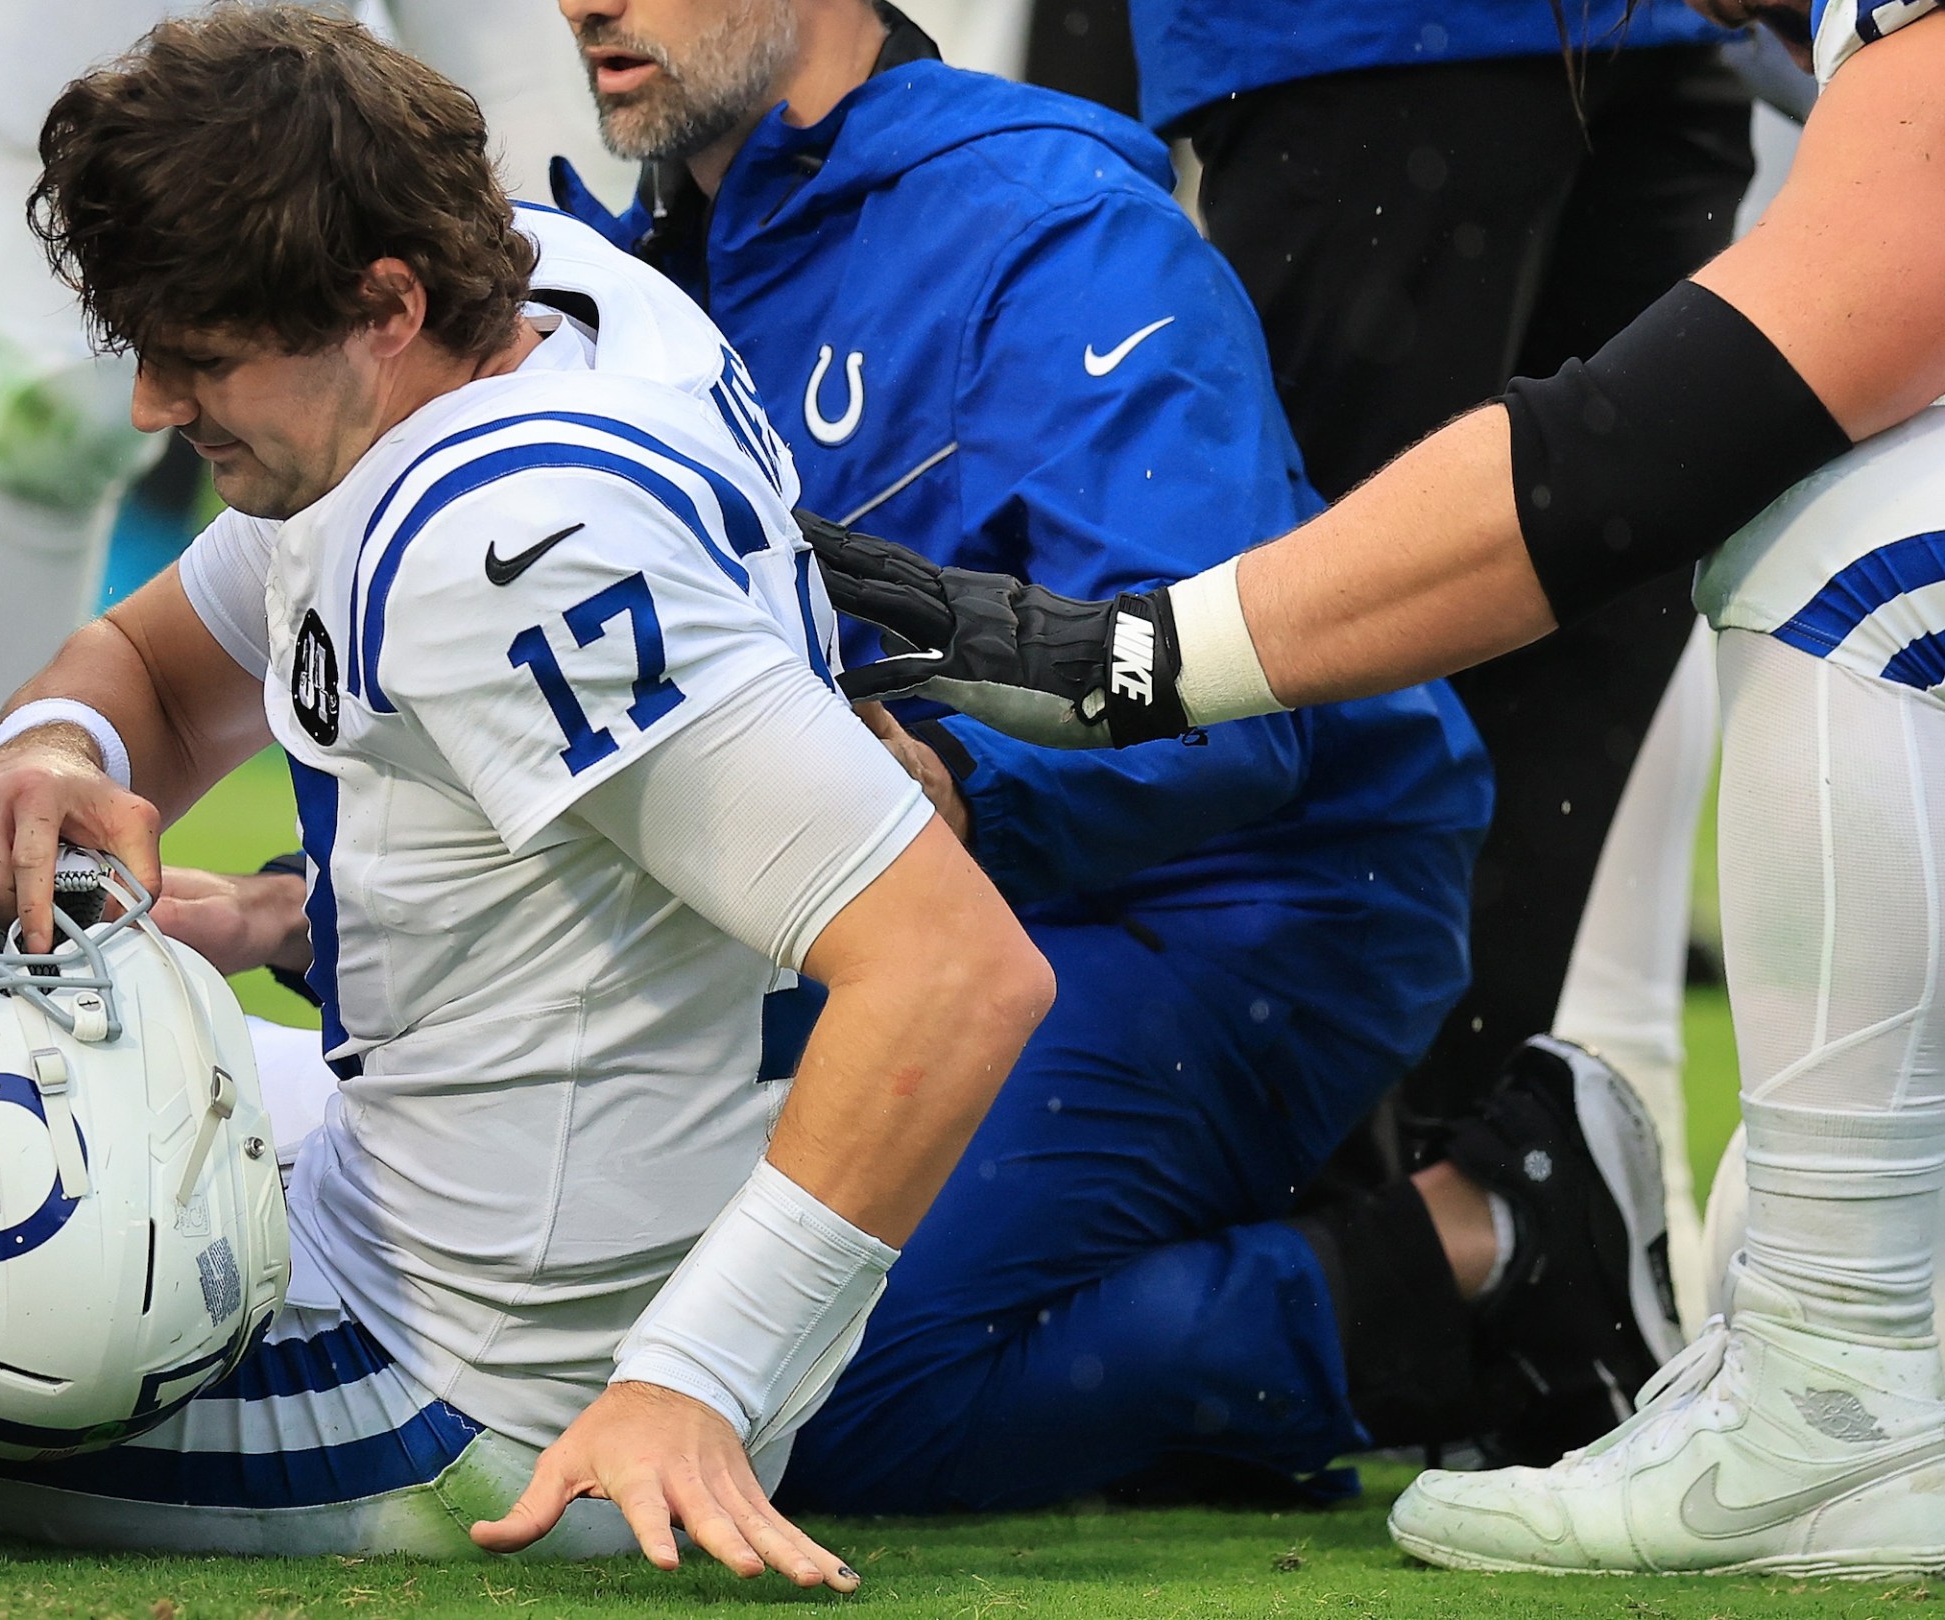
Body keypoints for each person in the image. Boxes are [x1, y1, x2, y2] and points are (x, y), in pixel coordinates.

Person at [0, 10, 1053, 1584]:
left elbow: (955, 974)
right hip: (460, 1195)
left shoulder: (508, 540)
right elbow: (162, 673)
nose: (157, 405)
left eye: (203, 355)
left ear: (385, 301)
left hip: (476, 1401)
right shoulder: (534, 300)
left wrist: (690, 1385)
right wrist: (50, 762)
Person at [813, 0, 1945, 1577]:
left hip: (1360, 56)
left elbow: (1661, 431)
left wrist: (1142, 653)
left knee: (1848, 556)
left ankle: (1839, 1396)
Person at [1128, 0, 1752, 1247]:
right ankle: (1297, 1266)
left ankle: (1481, 1254)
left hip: (1670, 42)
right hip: (1362, 45)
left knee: (1592, 653)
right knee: (1311, 653)